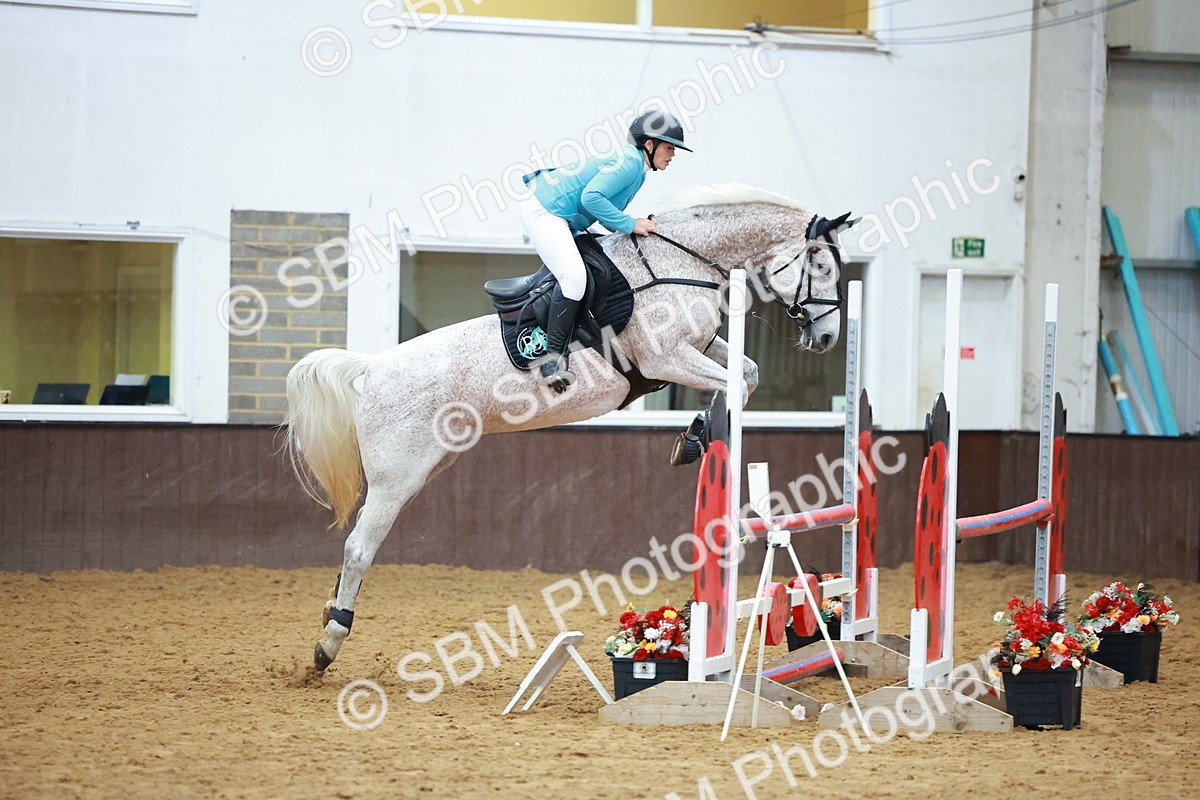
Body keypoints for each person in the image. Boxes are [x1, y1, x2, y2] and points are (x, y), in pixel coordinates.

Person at [519, 109, 691, 392]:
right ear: (649, 144)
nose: (673, 155)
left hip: (564, 215)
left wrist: (629, 232)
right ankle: (551, 362)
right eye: (669, 147)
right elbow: (591, 198)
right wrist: (631, 224)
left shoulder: (639, 169)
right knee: (574, 278)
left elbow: (604, 213)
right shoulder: (630, 164)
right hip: (545, 210)